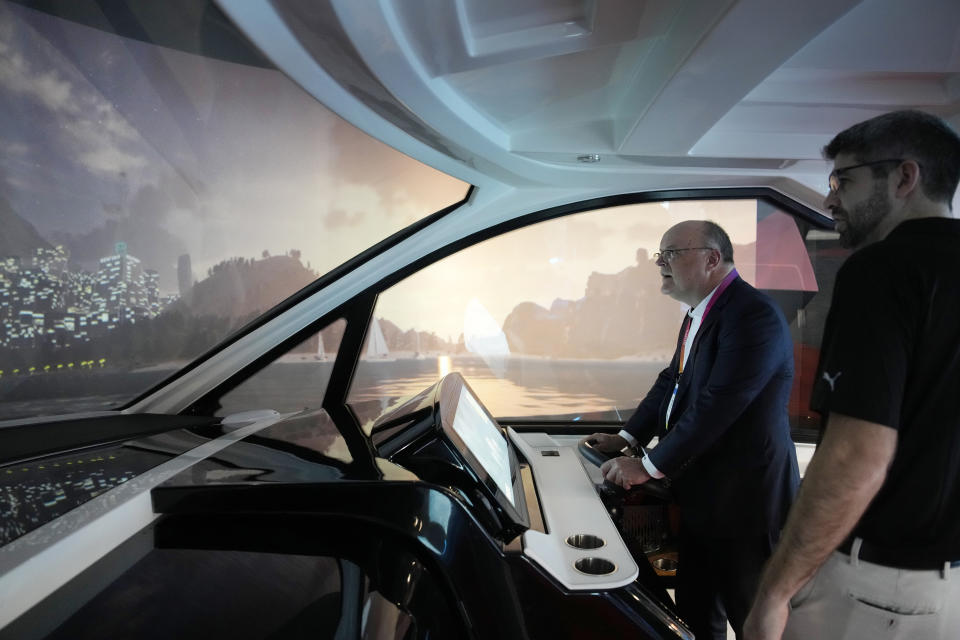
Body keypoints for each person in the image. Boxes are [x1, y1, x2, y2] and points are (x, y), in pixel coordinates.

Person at [744, 110, 960, 640]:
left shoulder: (882, 269)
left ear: (905, 177)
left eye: (845, 179)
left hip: (879, 591)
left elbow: (856, 456)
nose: (830, 199)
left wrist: (774, 592)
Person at [591, 220, 799, 640]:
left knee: (753, 618)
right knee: (695, 614)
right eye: (659, 255)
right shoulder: (699, 313)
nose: (660, 263)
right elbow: (673, 381)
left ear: (712, 258)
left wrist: (647, 466)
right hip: (703, 493)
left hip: (747, 503)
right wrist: (627, 438)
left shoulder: (752, 314)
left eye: (671, 254)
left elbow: (718, 404)